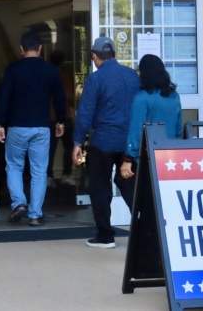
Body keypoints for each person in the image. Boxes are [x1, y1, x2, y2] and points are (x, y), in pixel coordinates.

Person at [72, 36, 140, 248]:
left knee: (100, 187)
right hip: (129, 141)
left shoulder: (96, 78)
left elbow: (86, 112)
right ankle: (142, 230)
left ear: (94, 56)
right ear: (114, 55)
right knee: (130, 186)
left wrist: (77, 142)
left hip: (103, 141)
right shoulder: (132, 75)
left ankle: (105, 235)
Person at [0, 31, 66, 226]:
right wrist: (61, 121)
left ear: (21, 49)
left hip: (17, 126)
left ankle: (18, 203)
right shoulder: (50, 70)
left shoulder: (13, 69)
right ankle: (35, 214)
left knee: (14, 166)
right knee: (39, 171)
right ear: (40, 48)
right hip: (42, 127)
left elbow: (4, 97)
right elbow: (59, 98)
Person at [120, 54, 182, 181]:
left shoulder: (141, 97)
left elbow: (136, 131)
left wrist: (128, 159)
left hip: (146, 157)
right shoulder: (174, 96)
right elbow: (178, 127)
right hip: (169, 155)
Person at [47, 50, 75, 187]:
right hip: (65, 116)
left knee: (49, 148)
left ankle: (48, 176)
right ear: (62, 63)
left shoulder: (45, 76)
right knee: (69, 146)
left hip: (49, 116)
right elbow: (69, 97)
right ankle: (66, 174)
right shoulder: (63, 77)